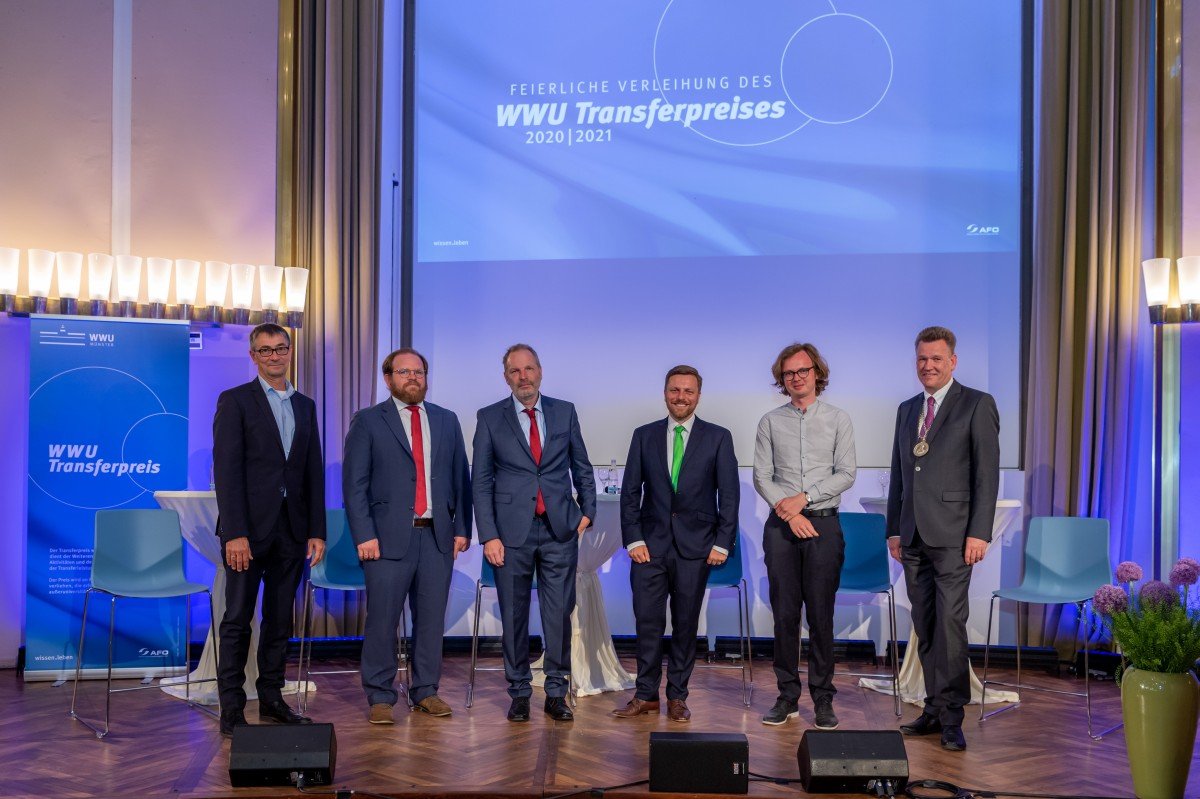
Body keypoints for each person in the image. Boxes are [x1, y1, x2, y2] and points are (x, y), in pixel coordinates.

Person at [343, 347, 471, 725]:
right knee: (382, 620)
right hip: (385, 540)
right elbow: (355, 485)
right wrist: (364, 534)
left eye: (419, 372)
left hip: (436, 538)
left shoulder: (446, 420)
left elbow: (460, 479)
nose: (412, 378)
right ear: (388, 379)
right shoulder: (367, 421)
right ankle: (381, 696)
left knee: (431, 620)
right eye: (404, 372)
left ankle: (426, 691)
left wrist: (462, 527)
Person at [887, 326, 999, 752]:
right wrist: (894, 530)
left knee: (951, 627)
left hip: (955, 536)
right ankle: (932, 709)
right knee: (926, 625)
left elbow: (986, 474)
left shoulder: (977, 403)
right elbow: (901, 471)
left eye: (936, 359)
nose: (928, 366)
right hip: (913, 534)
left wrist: (979, 532)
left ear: (952, 361)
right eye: (922, 359)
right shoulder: (906, 408)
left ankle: (953, 717)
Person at [212, 323, 326, 736]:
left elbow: (312, 471)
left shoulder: (307, 406)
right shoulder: (235, 401)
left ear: (290, 350)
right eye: (265, 351)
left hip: (292, 531)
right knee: (237, 619)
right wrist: (235, 532)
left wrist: (317, 529)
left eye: (280, 348)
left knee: (280, 621)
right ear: (254, 356)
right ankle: (231, 707)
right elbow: (226, 472)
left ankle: (273, 698)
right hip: (248, 533)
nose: (274, 356)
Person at [472, 344, 595, 723]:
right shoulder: (490, 417)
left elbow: (581, 465)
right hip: (509, 535)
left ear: (540, 371)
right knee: (515, 615)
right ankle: (519, 691)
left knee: (558, 614)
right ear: (505, 376)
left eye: (529, 369)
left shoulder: (565, 411)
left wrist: (586, 512)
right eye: (514, 371)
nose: (523, 377)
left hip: (559, 529)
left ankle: (556, 691)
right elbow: (482, 480)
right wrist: (488, 534)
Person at [613, 365, 739, 723]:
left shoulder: (718, 437)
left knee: (685, 625)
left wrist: (722, 543)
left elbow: (728, 496)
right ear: (664, 392)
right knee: (647, 623)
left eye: (688, 391)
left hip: (697, 548)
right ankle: (646, 695)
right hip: (649, 547)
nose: (680, 397)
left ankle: (678, 696)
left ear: (698, 395)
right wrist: (633, 538)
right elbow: (630, 492)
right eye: (674, 390)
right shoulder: (644, 435)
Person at [753, 343, 856, 729]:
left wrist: (804, 499)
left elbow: (846, 473)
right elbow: (762, 476)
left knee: (821, 615)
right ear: (782, 379)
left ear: (817, 373)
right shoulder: (769, 422)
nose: (796, 377)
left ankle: (824, 699)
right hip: (782, 527)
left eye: (803, 370)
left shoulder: (838, 419)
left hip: (824, 524)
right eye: (789, 373)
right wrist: (790, 512)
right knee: (784, 615)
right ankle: (786, 697)